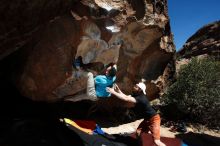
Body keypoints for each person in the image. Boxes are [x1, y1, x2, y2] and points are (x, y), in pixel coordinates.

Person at [106, 82, 166, 146]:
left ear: (140, 90)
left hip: (154, 119)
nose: (134, 87)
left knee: (157, 141)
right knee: (138, 133)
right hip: (147, 119)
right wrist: (118, 90)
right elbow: (126, 96)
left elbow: (125, 99)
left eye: (136, 87)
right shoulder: (137, 95)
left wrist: (113, 92)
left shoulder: (141, 98)